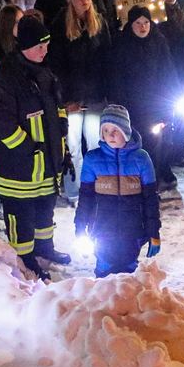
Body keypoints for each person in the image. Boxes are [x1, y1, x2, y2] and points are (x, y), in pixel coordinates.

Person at [0, 19, 68, 277]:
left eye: (47, 45)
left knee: (45, 209)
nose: (45, 51)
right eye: (39, 46)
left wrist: (61, 132)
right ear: (25, 46)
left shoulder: (44, 71)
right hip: (19, 168)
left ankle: (45, 248)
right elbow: (0, 121)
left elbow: (58, 105)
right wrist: (28, 148)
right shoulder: (5, 76)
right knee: (21, 216)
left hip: (46, 163)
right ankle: (24, 259)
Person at [74, 105, 161, 277]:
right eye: (105, 130)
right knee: (104, 271)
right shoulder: (93, 159)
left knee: (129, 274)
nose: (110, 135)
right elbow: (86, 198)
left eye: (116, 129)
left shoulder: (141, 159)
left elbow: (150, 199)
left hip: (133, 230)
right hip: (101, 230)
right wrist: (80, 227)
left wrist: (153, 232)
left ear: (126, 132)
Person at [49, 0, 111, 199]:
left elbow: (107, 60)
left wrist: (106, 93)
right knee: (73, 146)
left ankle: (96, 188)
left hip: (95, 97)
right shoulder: (59, 26)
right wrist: (65, 98)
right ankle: (75, 191)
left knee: (96, 145)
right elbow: (56, 66)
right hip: (72, 99)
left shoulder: (100, 23)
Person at [104, 6, 177, 185]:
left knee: (154, 146)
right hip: (130, 107)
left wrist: (167, 107)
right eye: (138, 23)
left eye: (146, 22)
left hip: (154, 107)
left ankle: (151, 183)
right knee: (131, 146)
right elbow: (116, 76)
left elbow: (167, 74)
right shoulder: (121, 43)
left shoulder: (158, 41)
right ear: (131, 24)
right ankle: (132, 183)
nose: (143, 27)